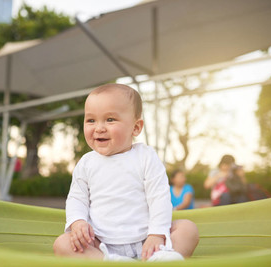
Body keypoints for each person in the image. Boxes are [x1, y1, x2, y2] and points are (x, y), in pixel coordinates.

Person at [53, 84, 199, 262]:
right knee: (62, 244)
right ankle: (109, 262)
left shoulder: (145, 157)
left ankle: (162, 257)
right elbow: (77, 198)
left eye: (110, 119)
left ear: (136, 128)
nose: (99, 128)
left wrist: (157, 233)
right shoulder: (86, 163)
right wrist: (77, 222)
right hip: (101, 243)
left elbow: (159, 196)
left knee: (188, 229)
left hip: (148, 240)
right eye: (91, 120)